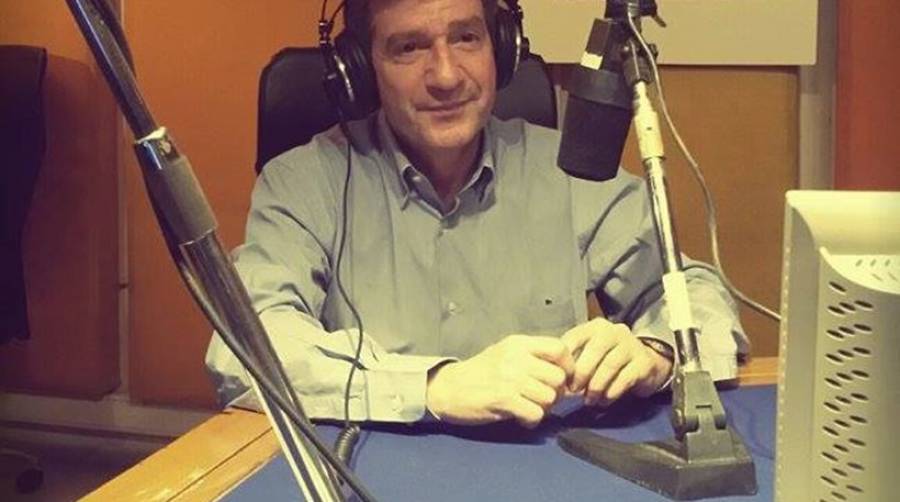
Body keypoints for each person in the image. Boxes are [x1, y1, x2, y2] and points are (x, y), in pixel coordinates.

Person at [206, 0, 749, 428]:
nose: (446, 76)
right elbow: (246, 350)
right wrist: (434, 387)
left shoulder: (568, 170)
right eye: (409, 47)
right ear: (362, 71)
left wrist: (656, 352)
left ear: (503, 48)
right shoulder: (304, 183)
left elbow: (693, 292)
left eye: (466, 37)